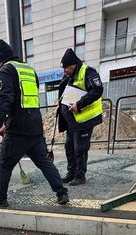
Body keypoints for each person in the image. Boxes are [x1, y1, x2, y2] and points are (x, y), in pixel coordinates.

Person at [0, 40, 69, 207]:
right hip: (35, 127)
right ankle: (61, 193)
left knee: (4, 164)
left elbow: (6, 98)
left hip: (17, 129)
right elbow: (26, 96)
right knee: (44, 163)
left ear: (0, 60)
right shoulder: (29, 70)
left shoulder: (6, 70)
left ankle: (1, 198)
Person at [57, 48, 103, 186]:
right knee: (69, 147)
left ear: (73, 65)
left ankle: (80, 175)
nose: (65, 71)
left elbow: (97, 90)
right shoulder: (69, 75)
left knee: (80, 148)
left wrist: (79, 104)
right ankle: (71, 173)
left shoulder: (88, 72)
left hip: (85, 119)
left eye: (66, 68)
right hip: (72, 121)